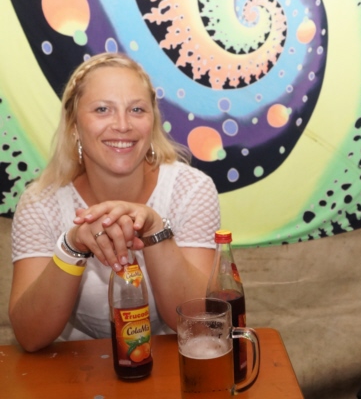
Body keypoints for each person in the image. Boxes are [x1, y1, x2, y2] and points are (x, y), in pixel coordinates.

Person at [9, 52, 220, 352]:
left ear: (152, 122)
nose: (122, 125)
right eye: (102, 109)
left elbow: (200, 324)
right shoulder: (40, 203)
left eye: (136, 109)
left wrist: (155, 231)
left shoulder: (192, 189)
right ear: (73, 124)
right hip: (75, 369)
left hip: (169, 361)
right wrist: (71, 247)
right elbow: (30, 336)